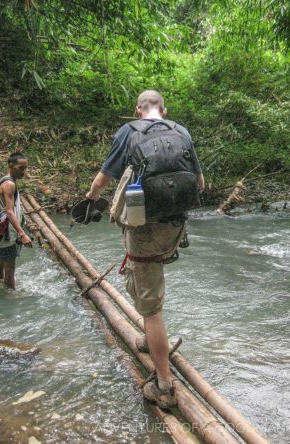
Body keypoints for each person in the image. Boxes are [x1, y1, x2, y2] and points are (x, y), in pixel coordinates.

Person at [86, 90, 205, 408]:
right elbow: (200, 184)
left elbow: (102, 180)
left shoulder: (127, 132)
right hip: (175, 228)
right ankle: (149, 339)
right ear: (163, 111)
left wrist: (89, 201)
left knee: (151, 308)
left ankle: (164, 385)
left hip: (144, 229)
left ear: (138, 110)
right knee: (145, 280)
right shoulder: (182, 131)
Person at [0, 153, 32, 289]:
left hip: (2, 229)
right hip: (8, 232)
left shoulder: (4, 180)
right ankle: (10, 296)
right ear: (11, 166)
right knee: (10, 268)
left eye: (25, 168)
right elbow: (9, 211)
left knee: (1, 260)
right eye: (21, 168)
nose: (24, 171)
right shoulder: (9, 184)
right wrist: (22, 234)